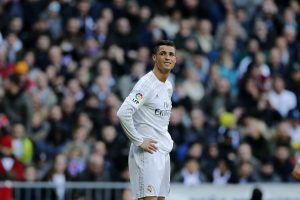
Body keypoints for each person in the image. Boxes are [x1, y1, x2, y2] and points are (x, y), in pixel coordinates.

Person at [117, 40, 176, 200]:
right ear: (154, 58)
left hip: (162, 151)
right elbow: (123, 112)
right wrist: (138, 140)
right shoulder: (146, 84)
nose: (167, 57)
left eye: (171, 54)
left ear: (175, 60)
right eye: (163, 53)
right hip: (147, 152)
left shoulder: (168, 86)